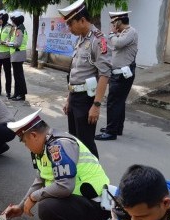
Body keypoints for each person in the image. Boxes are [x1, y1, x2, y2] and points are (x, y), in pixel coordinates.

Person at [2, 109, 111, 220]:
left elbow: (65, 187)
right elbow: (40, 180)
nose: (25, 146)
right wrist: (20, 207)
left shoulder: (58, 146)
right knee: (47, 196)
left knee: (47, 206)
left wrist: (34, 197)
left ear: (33, 135)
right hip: (87, 201)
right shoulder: (46, 147)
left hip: (98, 206)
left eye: (24, 141)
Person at [58, 0, 112, 158]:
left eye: (70, 24)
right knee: (74, 141)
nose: (69, 28)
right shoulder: (80, 39)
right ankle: (80, 178)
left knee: (86, 145)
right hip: (75, 97)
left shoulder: (98, 40)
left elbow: (104, 74)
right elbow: (76, 72)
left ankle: (95, 181)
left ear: (82, 20)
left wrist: (96, 105)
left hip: (86, 100)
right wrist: (69, 99)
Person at [95, 11, 138, 141]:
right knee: (118, 102)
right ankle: (116, 127)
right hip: (118, 74)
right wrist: (104, 37)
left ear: (119, 21)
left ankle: (111, 131)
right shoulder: (122, 34)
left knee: (113, 103)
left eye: (113, 23)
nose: (112, 25)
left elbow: (117, 43)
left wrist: (112, 33)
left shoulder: (131, 32)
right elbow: (112, 45)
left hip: (122, 75)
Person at [6, 11, 28, 101]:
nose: (12, 22)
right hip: (17, 55)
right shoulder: (20, 28)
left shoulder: (19, 29)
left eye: (13, 20)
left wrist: (8, 44)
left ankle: (21, 95)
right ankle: (16, 93)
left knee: (19, 76)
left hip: (18, 54)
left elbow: (17, 44)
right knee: (17, 75)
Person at [0, 11, 13, 97]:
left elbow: (12, 39)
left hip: (6, 55)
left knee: (8, 74)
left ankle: (8, 91)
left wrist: (4, 42)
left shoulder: (11, 28)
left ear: (4, 18)